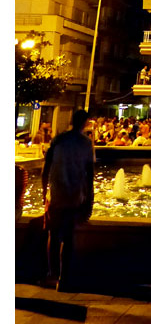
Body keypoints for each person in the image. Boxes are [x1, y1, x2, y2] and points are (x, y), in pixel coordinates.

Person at [41, 109, 94, 291]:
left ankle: (52, 274)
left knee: (54, 236)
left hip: (56, 194)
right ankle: (64, 279)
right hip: (75, 195)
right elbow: (90, 174)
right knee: (68, 238)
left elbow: (46, 168)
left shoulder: (58, 140)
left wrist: (43, 193)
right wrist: (90, 198)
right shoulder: (86, 143)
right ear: (85, 123)